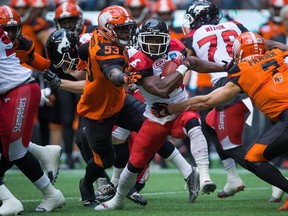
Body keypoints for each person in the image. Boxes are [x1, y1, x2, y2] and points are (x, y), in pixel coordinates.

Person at [94, 17, 226, 211]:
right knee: (136, 161)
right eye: (150, 39)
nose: (154, 44)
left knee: (194, 125)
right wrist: (183, 65)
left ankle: (204, 177)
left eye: (158, 40)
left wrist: (224, 68)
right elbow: (162, 89)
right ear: (141, 39)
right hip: (156, 112)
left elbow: (195, 62)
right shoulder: (138, 60)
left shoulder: (176, 45)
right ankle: (118, 199)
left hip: (181, 104)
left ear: (166, 39)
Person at [152, 31, 288, 211]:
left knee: (254, 157)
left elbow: (206, 101)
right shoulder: (280, 54)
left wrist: (170, 109)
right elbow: (279, 47)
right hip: (282, 118)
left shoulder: (241, 71)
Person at [181, 0, 249, 198]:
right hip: (251, 78)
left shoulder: (193, 35)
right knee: (210, 123)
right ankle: (232, 176)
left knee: (232, 145)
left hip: (226, 85)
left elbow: (185, 62)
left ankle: (277, 180)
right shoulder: (235, 25)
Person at [0, 25, 65, 215]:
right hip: (13, 90)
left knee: (14, 151)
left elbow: (34, 60)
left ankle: (16, 199)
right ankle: (43, 153)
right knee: (11, 148)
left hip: (17, 90)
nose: (11, 32)